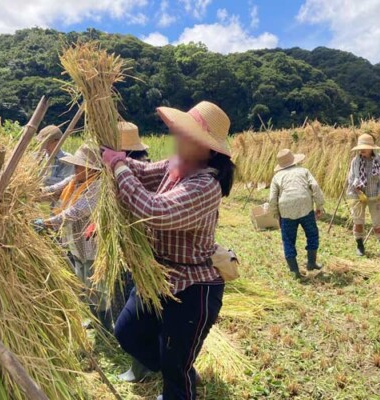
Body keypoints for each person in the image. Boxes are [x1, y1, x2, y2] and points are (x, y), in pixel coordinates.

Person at [102, 101, 235, 400]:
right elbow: (143, 171)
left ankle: (178, 374)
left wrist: (118, 167)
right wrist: (119, 159)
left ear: (208, 150)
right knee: (127, 333)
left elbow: (154, 211)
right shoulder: (176, 165)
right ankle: (178, 365)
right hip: (158, 277)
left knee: (176, 371)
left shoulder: (206, 185)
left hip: (193, 288)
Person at [34, 145, 112, 328]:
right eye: (76, 166)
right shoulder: (74, 180)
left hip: (92, 245)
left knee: (97, 288)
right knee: (84, 284)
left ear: (91, 169)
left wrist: (47, 222)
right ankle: (95, 321)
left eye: (79, 166)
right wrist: (33, 193)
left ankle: (106, 327)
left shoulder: (97, 186)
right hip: (76, 244)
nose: (75, 170)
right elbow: (53, 190)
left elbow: (75, 212)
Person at [268, 149, 325, 279]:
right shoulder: (303, 171)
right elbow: (315, 186)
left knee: (288, 240)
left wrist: (276, 214)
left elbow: (272, 198)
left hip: (286, 210)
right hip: (305, 207)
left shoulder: (277, 177)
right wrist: (319, 205)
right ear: (294, 160)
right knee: (312, 234)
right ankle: (311, 263)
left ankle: (295, 271)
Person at [347, 133, 380, 257]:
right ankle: (360, 246)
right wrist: (358, 190)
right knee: (358, 221)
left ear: (371, 148)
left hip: (375, 196)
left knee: (377, 222)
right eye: (360, 148)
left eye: (364, 148)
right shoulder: (355, 161)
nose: (362, 150)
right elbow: (351, 178)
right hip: (357, 196)